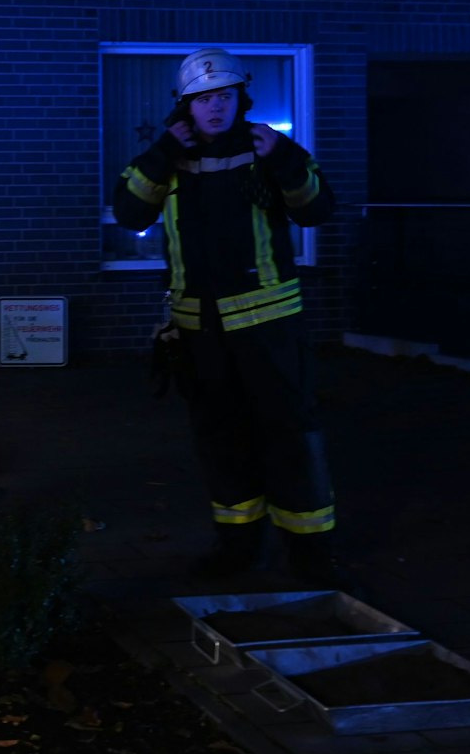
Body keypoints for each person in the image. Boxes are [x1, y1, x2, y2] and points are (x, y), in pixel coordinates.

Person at [111, 48, 341, 583]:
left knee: (289, 436)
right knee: (222, 440)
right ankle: (237, 549)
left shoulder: (269, 149)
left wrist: (284, 157)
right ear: (185, 105)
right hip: (200, 332)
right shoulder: (166, 157)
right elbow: (129, 212)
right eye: (203, 98)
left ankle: (311, 556)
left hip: (269, 327)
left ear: (241, 98)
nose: (215, 107)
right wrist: (163, 153)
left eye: (224, 96)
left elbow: (318, 209)